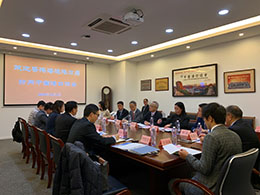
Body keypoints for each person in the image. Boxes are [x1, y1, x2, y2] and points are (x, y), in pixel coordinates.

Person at [169, 103, 242, 195]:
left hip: (210, 187)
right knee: (190, 174)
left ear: (210, 118)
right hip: (229, 184)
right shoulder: (235, 135)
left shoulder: (211, 137)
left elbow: (204, 169)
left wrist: (187, 156)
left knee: (172, 183)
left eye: (204, 119)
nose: (204, 121)